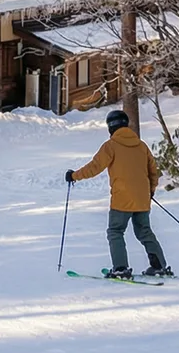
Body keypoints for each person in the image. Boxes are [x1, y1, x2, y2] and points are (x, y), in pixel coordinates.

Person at [67, 108, 173, 279]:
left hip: (122, 199)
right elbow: (153, 171)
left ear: (110, 126)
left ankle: (121, 268)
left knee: (115, 231)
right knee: (144, 231)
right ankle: (159, 266)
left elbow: (94, 167)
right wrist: (150, 190)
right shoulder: (141, 145)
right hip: (142, 198)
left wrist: (74, 175)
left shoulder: (111, 146)